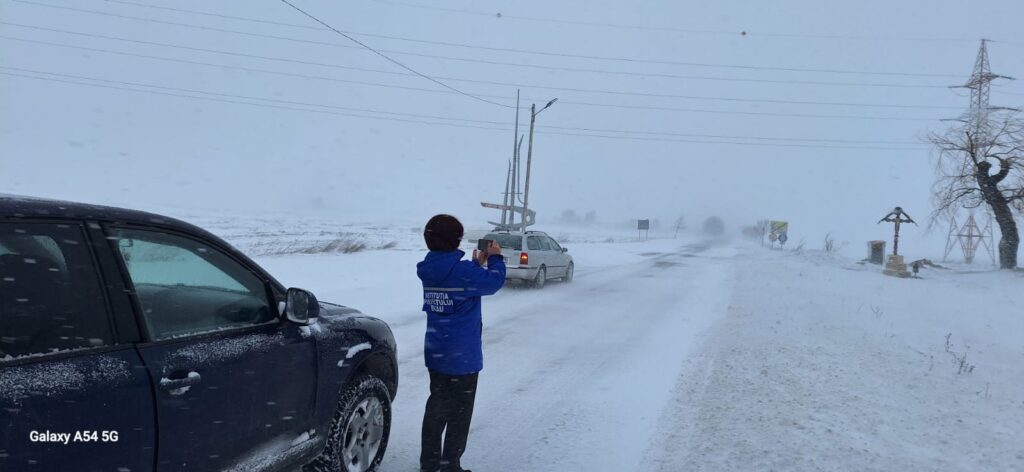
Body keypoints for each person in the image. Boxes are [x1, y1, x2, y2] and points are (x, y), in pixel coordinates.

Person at [416, 214, 505, 472]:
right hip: (463, 358)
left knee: (436, 408)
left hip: (436, 352)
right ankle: (450, 465)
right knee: (459, 414)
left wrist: (477, 264)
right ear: (456, 240)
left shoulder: (428, 269)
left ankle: (429, 464)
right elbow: (494, 282)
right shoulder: (464, 272)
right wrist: (495, 258)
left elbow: (459, 281)